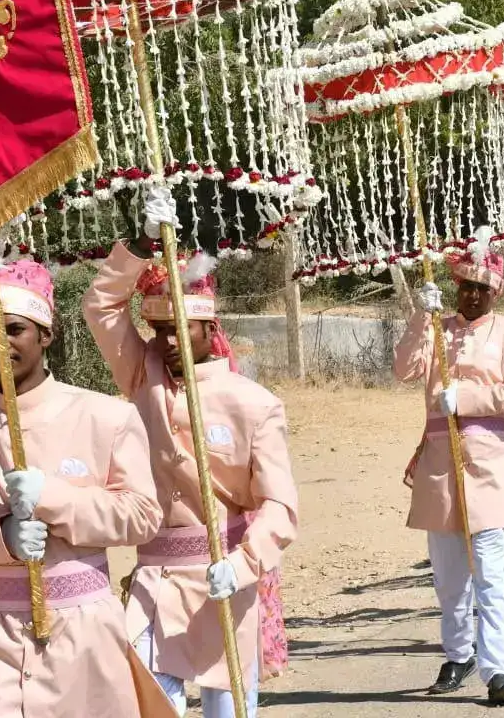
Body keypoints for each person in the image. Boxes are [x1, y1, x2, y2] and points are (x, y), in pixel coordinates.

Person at [0, 250, 172, 718]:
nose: (1, 343)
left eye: (14, 329)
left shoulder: (106, 417)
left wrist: (53, 497)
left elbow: (141, 516)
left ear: (46, 334)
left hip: (87, 638)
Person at [83, 188, 298, 718]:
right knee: (152, 705)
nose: (169, 342)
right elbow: (100, 306)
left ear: (210, 328)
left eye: (182, 329)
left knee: (228, 709)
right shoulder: (142, 375)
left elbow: (280, 507)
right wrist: (140, 244)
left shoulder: (255, 404)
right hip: (155, 576)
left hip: (225, 575)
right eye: (159, 330)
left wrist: (246, 563)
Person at [394, 227, 504, 705]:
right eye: (465, 287)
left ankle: (498, 669)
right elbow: (404, 370)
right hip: (439, 462)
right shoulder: (439, 328)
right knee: (449, 574)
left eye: (482, 288)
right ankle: (458, 654)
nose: (472, 296)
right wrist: (420, 315)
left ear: (495, 291)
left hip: (489, 462)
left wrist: (469, 398)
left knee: (490, 573)